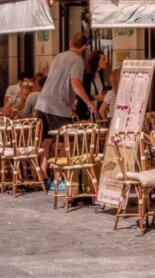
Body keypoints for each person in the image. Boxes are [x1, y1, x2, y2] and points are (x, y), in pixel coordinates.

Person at [35, 32, 95, 179]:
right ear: (84, 47)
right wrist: (88, 102)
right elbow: (75, 83)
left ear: (69, 42)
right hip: (58, 106)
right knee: (68, 141)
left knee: (46, 141)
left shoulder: (58, 56)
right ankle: (58, 176)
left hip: (42, 103)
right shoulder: (77, 60)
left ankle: (42, 174)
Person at [76, 50, 108, 120]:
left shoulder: (100, 74)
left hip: (96, 110)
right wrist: (96, 97)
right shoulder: (86, 75)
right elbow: (80, 95)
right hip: (86, 111)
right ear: (96, 61)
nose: (106, 62)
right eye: (103, 59)